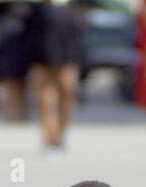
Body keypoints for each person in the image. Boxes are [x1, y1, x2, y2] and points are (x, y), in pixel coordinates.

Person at [29, 0, 82, 151]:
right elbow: (29, 36)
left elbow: (79, 35)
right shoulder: (38, 10)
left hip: (67, 59)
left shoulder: (73, 8)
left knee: (68, 94)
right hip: (43, 61)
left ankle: (61, 131)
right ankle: (50, 138)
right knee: (46, 100)